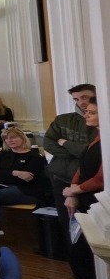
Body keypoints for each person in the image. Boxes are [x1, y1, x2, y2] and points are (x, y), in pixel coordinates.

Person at [43, 83, 98, 250]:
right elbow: (48, 143)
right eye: (76, 99)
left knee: (91, 224)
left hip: (89, 182)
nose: (81, 102)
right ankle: (74, 261)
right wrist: (79, 152)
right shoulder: (62, 120)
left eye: (85, 97)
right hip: (61, 177)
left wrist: (65, 142)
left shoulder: (100, 120)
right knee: (66, 221)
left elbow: (94, 151)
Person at [63, 98, 102, 279]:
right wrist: (72, 191)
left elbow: (101, 178)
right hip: (85, 199)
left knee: (83, 255)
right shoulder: (96, 137)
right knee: (79, 255)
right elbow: (82, 167)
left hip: (97, 203)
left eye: (92, 112)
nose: (86, 115)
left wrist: (75, 190)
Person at [0, 127, 48, 235]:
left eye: (13, 137)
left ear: (22, 138)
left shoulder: (35, 157)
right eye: (6, 138)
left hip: (27, 190)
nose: (9, 140)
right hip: (4, 185)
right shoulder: (3, 154)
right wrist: (16, 172)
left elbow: (25, 180)